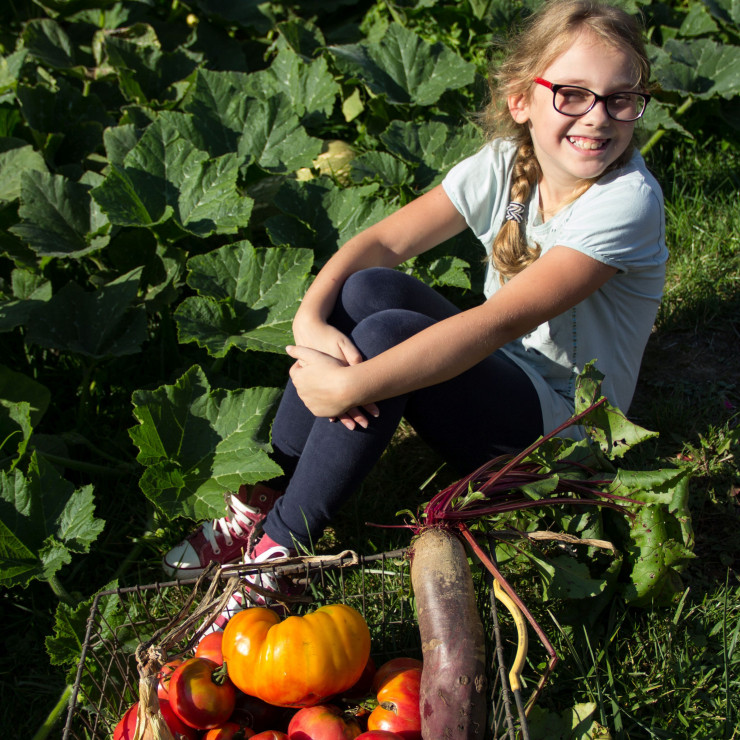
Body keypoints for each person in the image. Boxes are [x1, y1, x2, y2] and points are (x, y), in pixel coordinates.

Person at [163, 0, 667, 618]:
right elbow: (382, 243)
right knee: (365, 291)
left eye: (621, 98)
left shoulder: (626, 204)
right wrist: (308, 319)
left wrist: (350, 384)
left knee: (387, 335)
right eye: (572, 94)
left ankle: (281, 555)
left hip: (565, 442)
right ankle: (264, 495)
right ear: (522, 99)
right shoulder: (508, 166)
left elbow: (494, 324)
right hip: (507, 379)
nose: (597, 117)